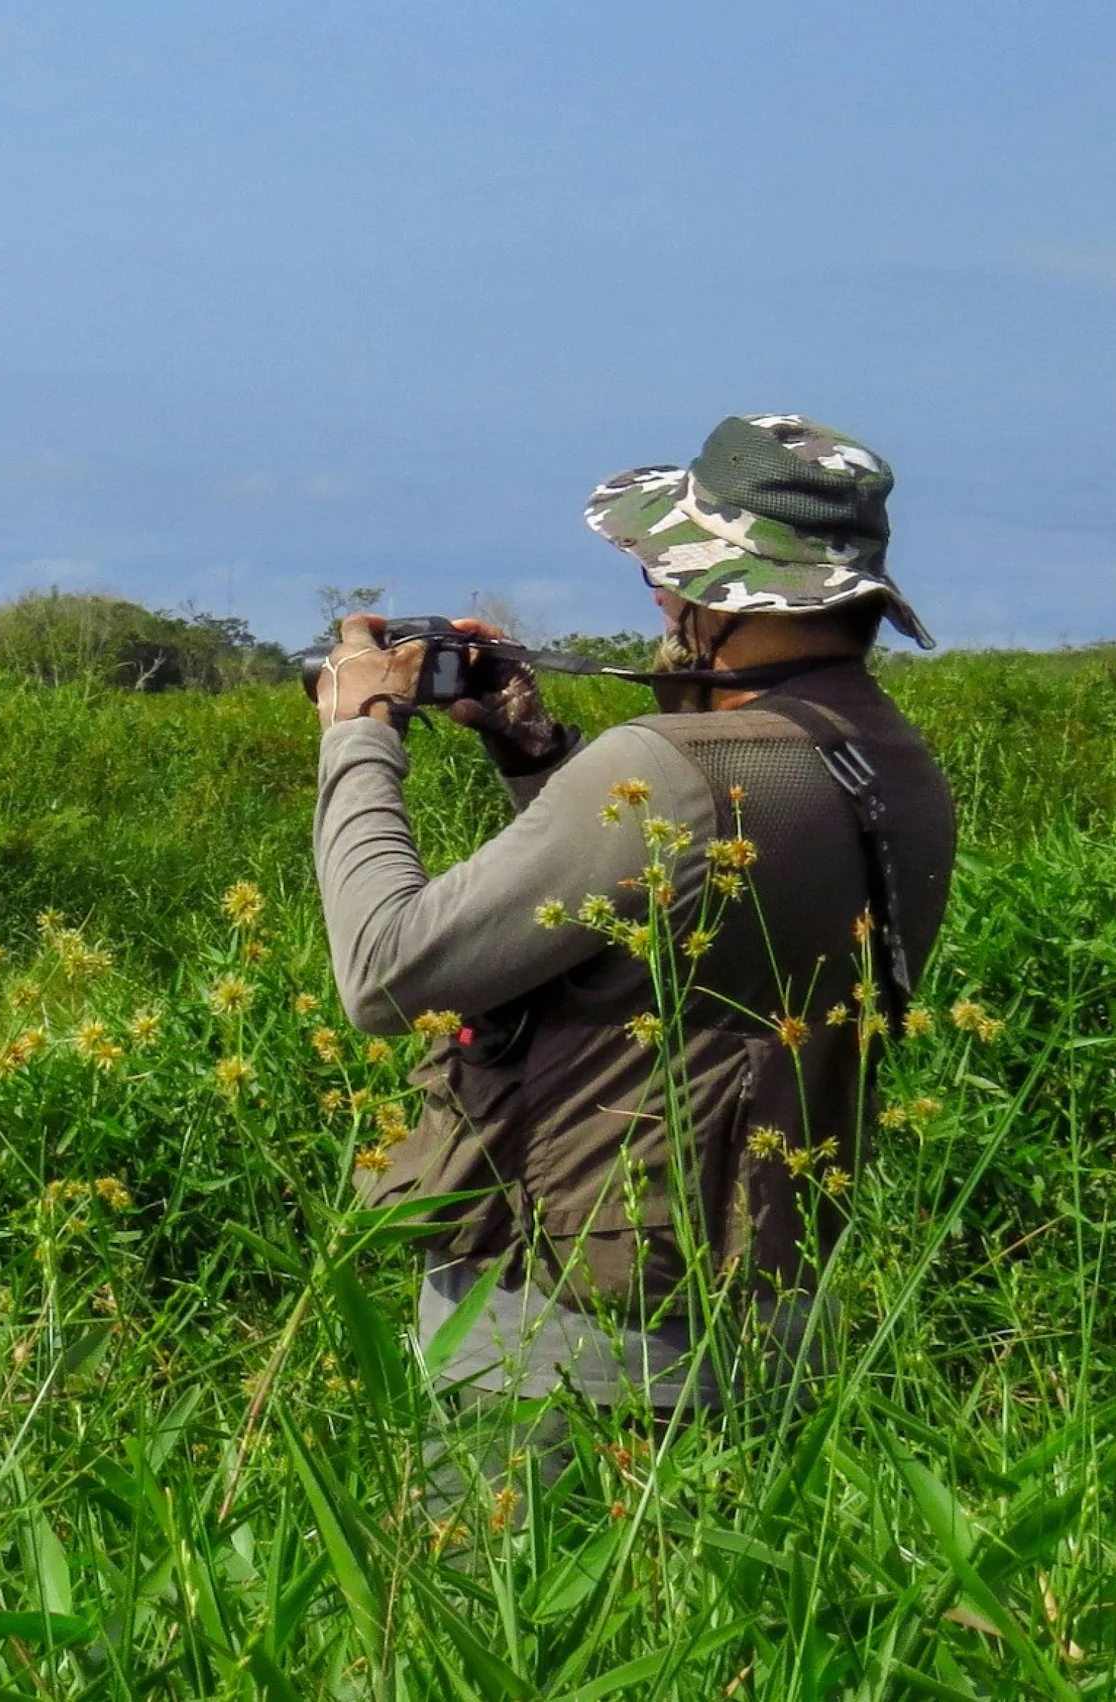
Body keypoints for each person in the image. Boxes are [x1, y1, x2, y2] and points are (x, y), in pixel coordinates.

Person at [308, 414, 957, 1425]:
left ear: (723, 591)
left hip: (564, 1340)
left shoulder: (666, 765)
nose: (657, 590)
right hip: (772, 1315)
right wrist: (536, 754)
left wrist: (357, 736)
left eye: (671, 568)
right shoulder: (893, 763)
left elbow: (385, 974)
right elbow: (684, 914)